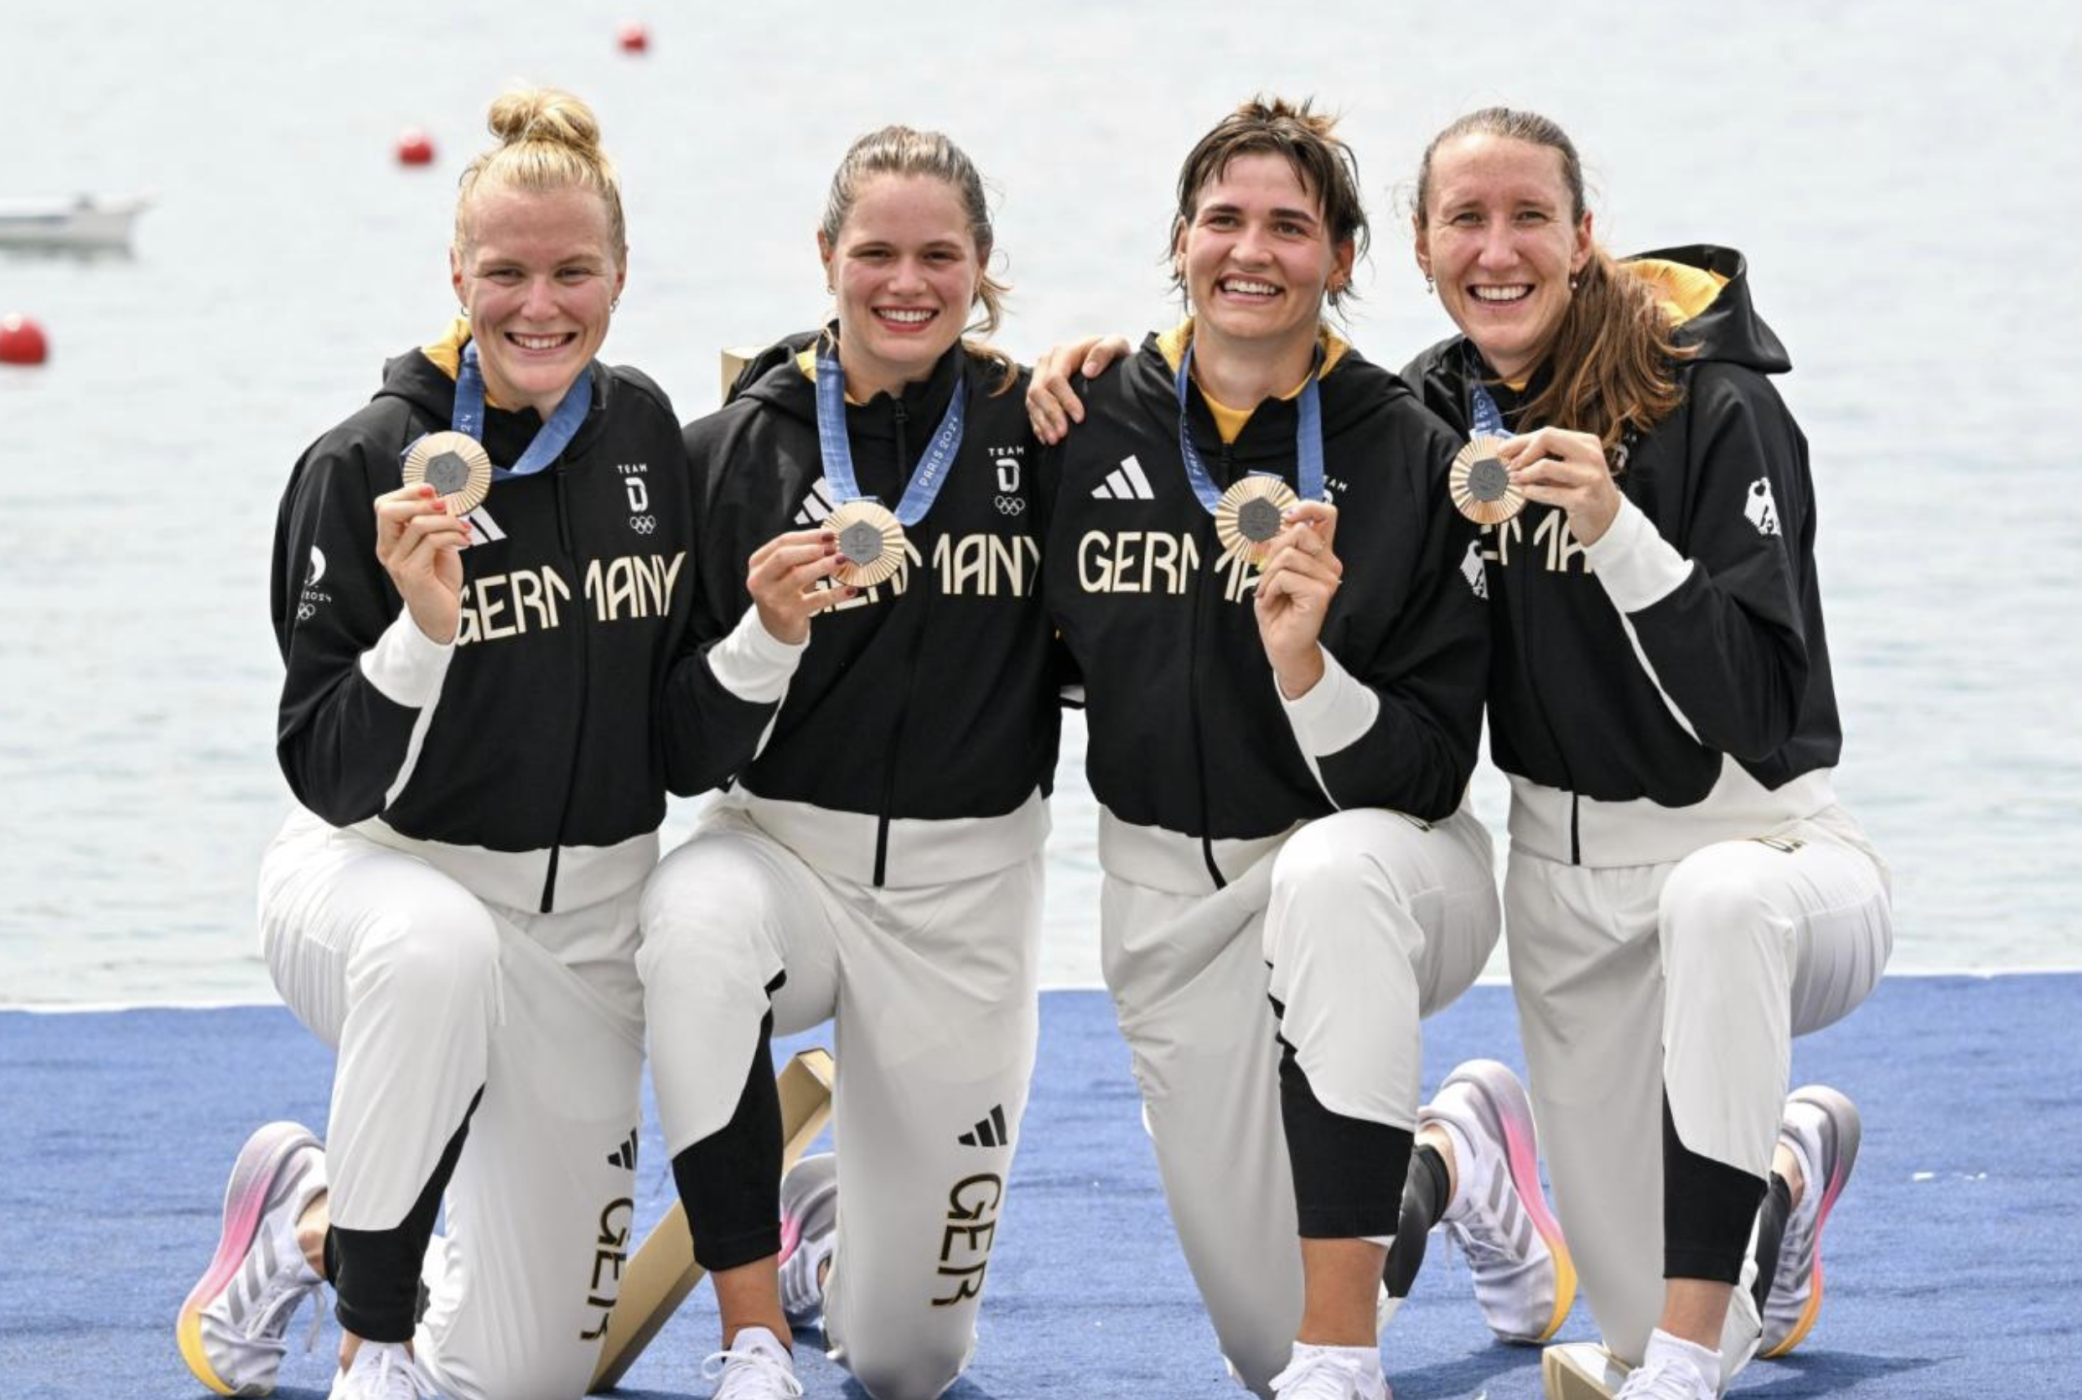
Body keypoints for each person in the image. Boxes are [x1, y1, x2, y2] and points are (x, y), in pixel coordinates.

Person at [176, 89, 810, 1400]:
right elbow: (329, 768)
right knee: (436, 951)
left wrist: (769, 632)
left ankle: (306, 1218)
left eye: (573, 271)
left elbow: (683, 749)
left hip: (583, 931)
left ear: (620, 277)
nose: (540, 305)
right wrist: (418, 630)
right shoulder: (365, 462)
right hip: (380, 884)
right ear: (455, 276)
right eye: (506, 272)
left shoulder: (641, 435)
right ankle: (372, 1345)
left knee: (524, 1375)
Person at [1027, 97, 1570, 1400]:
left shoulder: (1405, 454)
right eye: (1224, 219)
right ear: (1178, 240)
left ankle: (1347, 1362)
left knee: (1332, 882)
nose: (1251, 250)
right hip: (1166, 889)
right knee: (1257, 1324)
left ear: (1338, 256)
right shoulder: (1079, 422)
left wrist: (1305, 670)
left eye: (1289, 224)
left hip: (1384, 869)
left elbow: (1436, 770)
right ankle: (1455, 1161)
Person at [1400, 108, 1893, 1400]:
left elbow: (1761, 711)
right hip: (1566, 898)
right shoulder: (1425, 414)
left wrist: (1616, 526)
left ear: (1581, 241)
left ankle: (1685, 1359)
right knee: (1634, 1310)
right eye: (1466, 219)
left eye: (1528, 219)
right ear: (1421, 246)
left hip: (1774, 857)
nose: (1496, 250)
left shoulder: (1714, 403)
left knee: (1716, 902)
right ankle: (1774, 1179)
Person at [635, 125, 1058, 1400]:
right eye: (875, 250)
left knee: (906, 1363)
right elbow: (677, 753)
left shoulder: (1046, 431)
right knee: (692, 927)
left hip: (969, 897)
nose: (906, 281)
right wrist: (766, 635)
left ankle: (834, 1229)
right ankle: (754, 1329)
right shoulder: (729, 453)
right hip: (787, 862)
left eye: (940, 254)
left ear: (983, 267)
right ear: (827, 257)